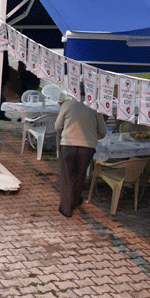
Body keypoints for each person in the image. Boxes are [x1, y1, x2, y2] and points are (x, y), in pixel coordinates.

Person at [55, 82, 107, 217]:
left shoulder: (67, 104)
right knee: (80, 175)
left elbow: (57, 126)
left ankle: (66, 207)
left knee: (67, 176)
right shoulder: (95, 107)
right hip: (87, 146)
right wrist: (94, 136)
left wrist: (64, 134)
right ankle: (75, 200)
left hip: (68, 144)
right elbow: (103, 131)